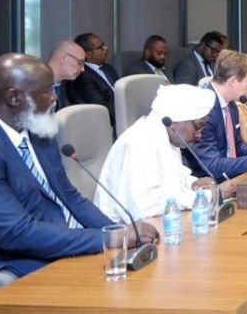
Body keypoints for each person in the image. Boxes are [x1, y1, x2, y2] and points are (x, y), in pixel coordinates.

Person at [0, 53, 158, 277]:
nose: (54, 98)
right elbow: (15, 232)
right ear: (14, 98)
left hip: (62, 241)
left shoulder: (36, 128)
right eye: (47, 91)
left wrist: (118, 231)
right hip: (16, 259)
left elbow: (69, 196)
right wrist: (109, 238)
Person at [94, 84, 235, 221]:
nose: (199, 134)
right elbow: (145, 207)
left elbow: (172, 179)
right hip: (122, 230)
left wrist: (193, 184)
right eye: (198, 127)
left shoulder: (166, 135)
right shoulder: (141, 142)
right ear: (173, 122)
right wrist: (209, 196)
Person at [189, 49, 247, 179]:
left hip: (232, 176)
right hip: (209, 182)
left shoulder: (231, 105)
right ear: (233, 81)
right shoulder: (203, 111)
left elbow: (238, 145)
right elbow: (213, 166)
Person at [65, 32, 120, 130]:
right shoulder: (81, 76)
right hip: (106, 123)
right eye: (100, 47)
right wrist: (126, 114)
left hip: (122, 114)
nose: (106, 48)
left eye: (104, 45)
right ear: (88, 54)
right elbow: (101, 107)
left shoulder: (108, 68)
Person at [45, 39, 85, 110]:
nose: (82, 69)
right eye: (80, 63)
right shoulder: (34, 84)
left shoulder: (62, 85)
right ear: (64, 58)